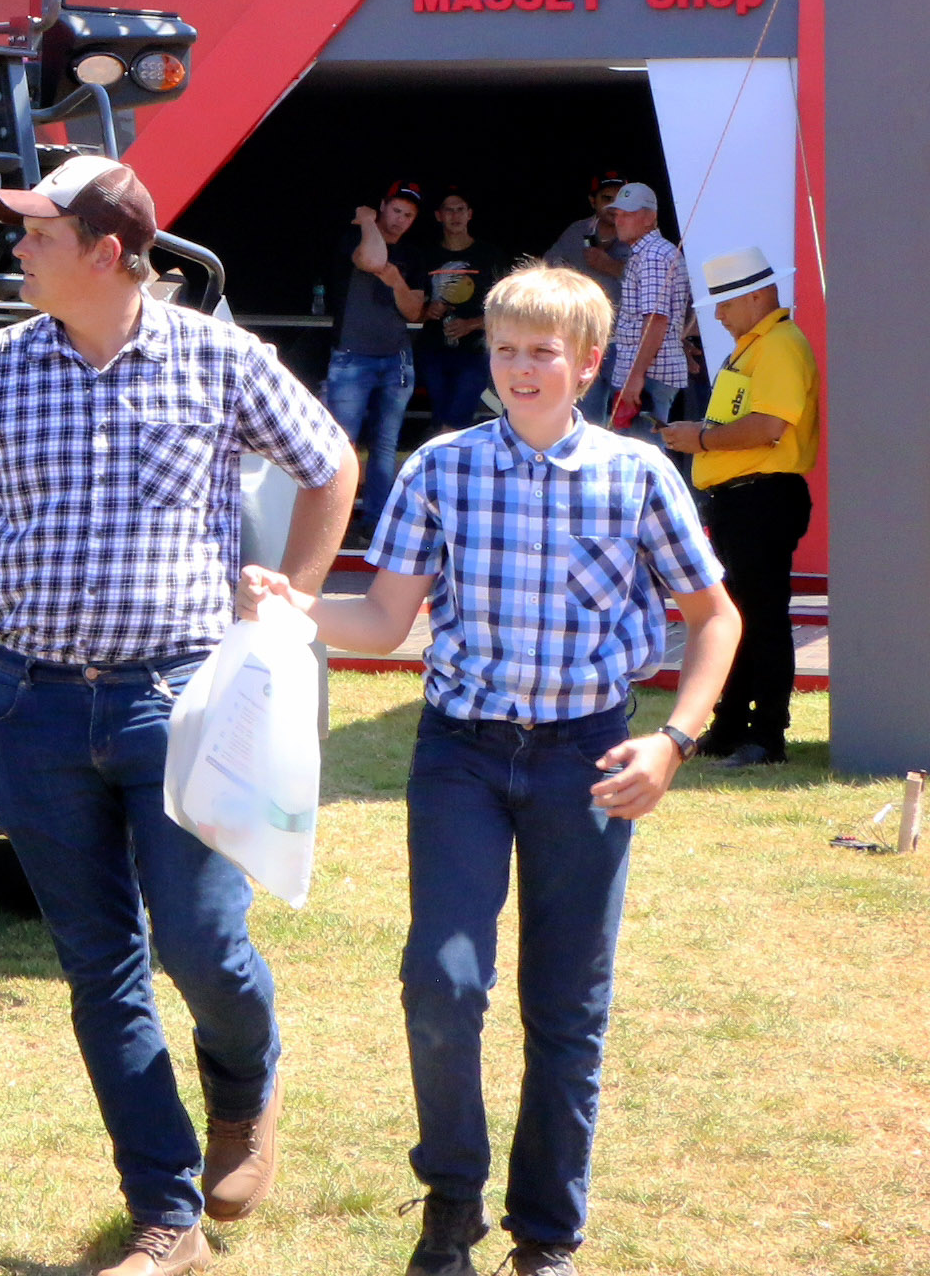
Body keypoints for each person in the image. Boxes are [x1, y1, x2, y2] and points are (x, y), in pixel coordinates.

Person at [0, 153, 356, 1275]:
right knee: (100, 966)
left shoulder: (221, 357)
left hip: (181, 697)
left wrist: (300, 594)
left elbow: (331, 463)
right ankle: (164, 1210)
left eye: (40, 231)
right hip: (32, 706)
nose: (17, 246)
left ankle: (245, 1078)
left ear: (109, 251)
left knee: (202, 939)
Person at [253, 263, 740, 1276]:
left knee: (567, 1003)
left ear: (589, 363)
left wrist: (674, 739)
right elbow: (386, 617)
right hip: (462, 755)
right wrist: (288, 605)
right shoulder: (442, 467)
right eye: (507, 347)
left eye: (542, 350)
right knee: (442, 979)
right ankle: (450, 1201)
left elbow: (715, 619)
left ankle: (547, 1234)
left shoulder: (638, 473)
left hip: (589, 756)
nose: (521, 366)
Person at [659, 247, 820, 762]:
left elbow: (770, 427)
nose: (720, 315)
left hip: (760, 498)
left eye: (724, 304)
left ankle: (766, 733)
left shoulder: (776, 345)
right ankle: (732, 725)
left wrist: (700, 440)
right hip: (744, 499)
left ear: (755, 296)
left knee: (762, 617)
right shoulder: (760, 345)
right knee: (744, 615)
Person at [324, 181, 436, 529]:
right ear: (383, 206)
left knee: (385, 447)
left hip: (395, 360)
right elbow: (371, 258)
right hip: (351, 357)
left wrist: (397, 283)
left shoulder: (415, 256)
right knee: (343, 444)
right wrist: (368, 223)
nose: (401, 219)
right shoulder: (354, 239)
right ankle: (333, 524)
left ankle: (376, 523)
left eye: (409, 215)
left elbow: (415, 312)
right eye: (396, 210)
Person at [589, 184, 688, 431]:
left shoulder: (652, 256)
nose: (619, 220)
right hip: (645, 374)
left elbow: (656, 319)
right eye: (617, 214)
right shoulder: (647, 253)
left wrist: (635, 376)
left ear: (649, 218)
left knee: (644, 452)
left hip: (648, 377)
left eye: (628, 214)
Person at [418, 190, 495, 434]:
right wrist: (427, 310)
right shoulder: (425, 256)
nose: (455, 215)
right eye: (449, 210)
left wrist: (471, 324)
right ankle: (442, 465)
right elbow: (410, 306)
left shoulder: (489, 255)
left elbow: (508, 308)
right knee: (440, 415)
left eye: (460, 209)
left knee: (457, 417)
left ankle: (445, 462)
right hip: (434, 350)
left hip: (475, 350)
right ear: (438, 216)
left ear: (470, 214)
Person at [541, 176, 631, 301]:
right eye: (607, 199)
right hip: (580, 315)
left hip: (625, 318)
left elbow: (656, 282)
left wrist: (610, 265)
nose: (615, 206)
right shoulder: (577, 231)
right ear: (593, 201)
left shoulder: (643, 234)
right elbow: (546, 269)